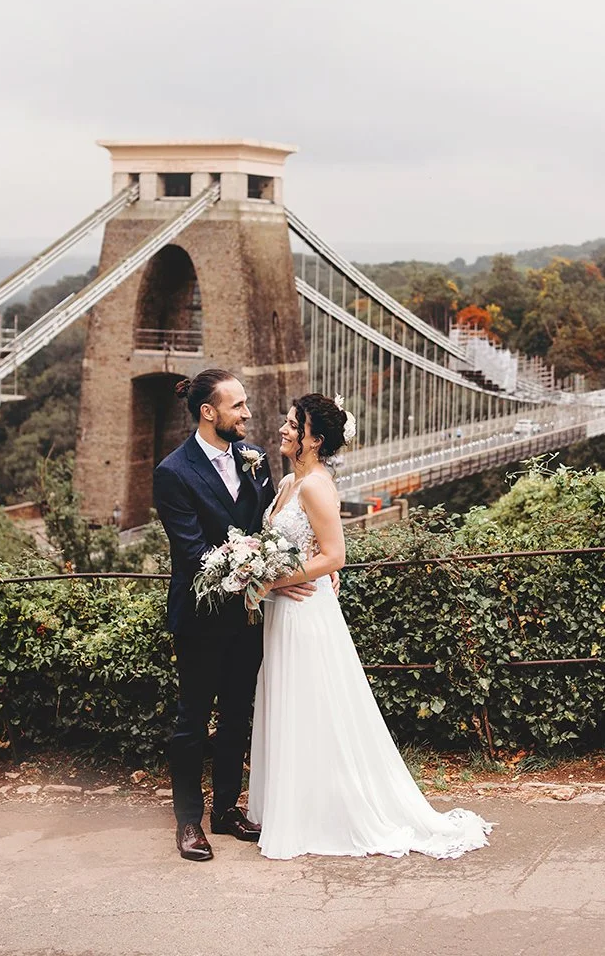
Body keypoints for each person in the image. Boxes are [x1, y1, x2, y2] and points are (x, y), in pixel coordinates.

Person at [248, 393, 492, 859]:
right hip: (284, 611)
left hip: (306, 615)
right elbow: (296, 548)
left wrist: (276, 580)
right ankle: (295, 806)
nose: (282, 428)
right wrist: (265, 578)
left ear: (313, 440)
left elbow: (335, 555)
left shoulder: (317, 486)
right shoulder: (287, 485)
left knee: (312, 707)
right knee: (290, 705)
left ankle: (318, 816)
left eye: (291, 424)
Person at [151, 369, 316, 862]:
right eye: (238, 405)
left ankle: (225, 810)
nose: (248, 413)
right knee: (192, 720)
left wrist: (306, 565)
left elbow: (269, 532)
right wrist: (253, 569)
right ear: (209, 412)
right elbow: (193, 550)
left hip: (250, 614)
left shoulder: (255, 461)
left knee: (238, 715)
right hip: (201, 618)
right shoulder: (173, 472)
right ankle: (188, 823)